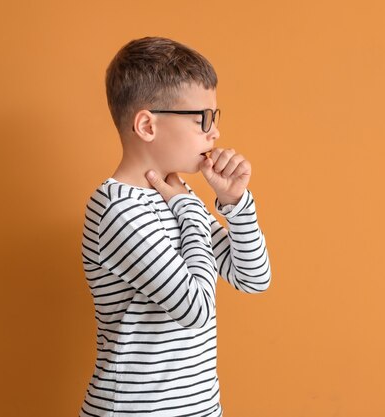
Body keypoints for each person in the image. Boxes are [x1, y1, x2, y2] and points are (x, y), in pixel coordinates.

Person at [79, 36, 271, 417]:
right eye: (202, 118)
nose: (214, 132)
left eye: (215, 117)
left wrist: (235, 203)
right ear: (147, 125)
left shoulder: (173, 197)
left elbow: (254, 277)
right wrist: (189, 209)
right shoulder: (117, 209)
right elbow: (197, 307)